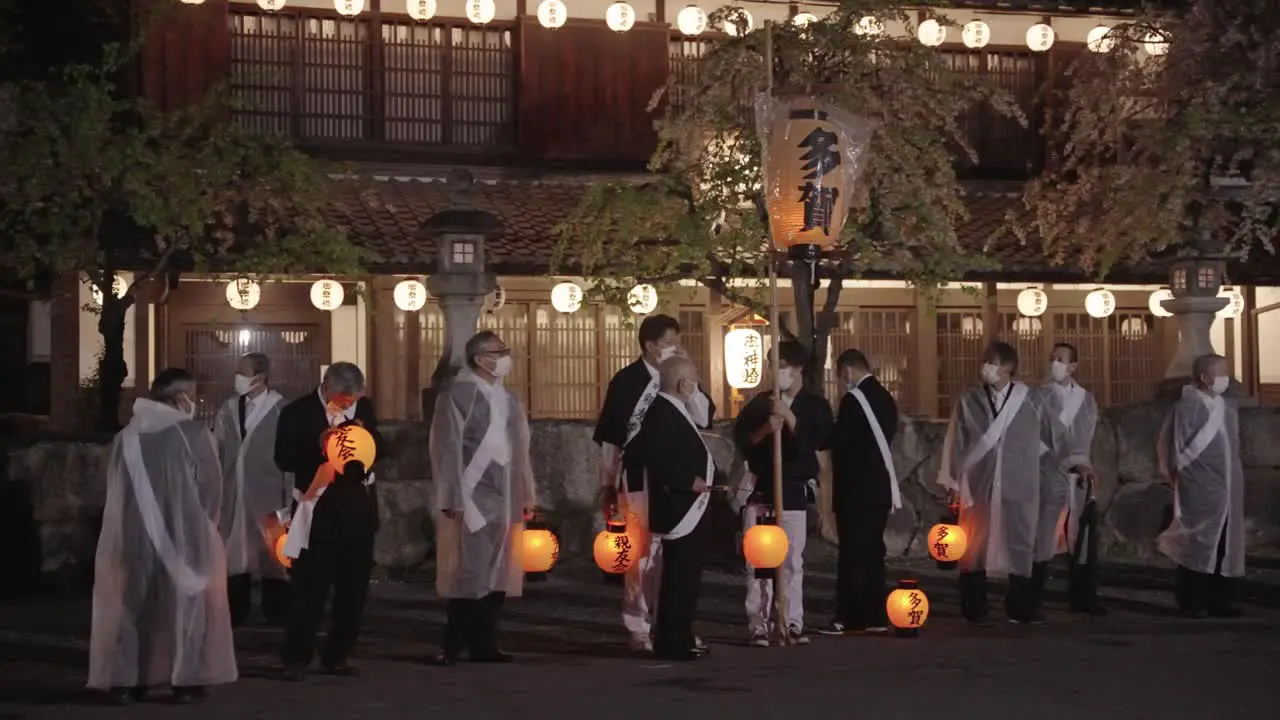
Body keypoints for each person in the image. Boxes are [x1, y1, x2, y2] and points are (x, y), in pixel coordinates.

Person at [88, 368, 237, 704]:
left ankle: (128, 680)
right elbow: (211, 489)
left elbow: (112, 489)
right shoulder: (193, 433)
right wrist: (208, 526)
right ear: (178, 398)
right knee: (188, 606)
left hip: (133, 534)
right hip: (186, 534)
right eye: (192, 395)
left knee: (134, 606)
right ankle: (185, 679)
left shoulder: (125, 436)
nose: (194, 402)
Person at [593, 314, 715, 654]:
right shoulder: (627, 381)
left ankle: (672, 626)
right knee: (640, 556)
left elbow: (704, 417)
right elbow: (612, 440)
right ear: (650, 345)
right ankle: (638, 625)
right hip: (638, 480)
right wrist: (607, 484)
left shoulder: (679, 375)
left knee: (673, 560)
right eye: (668, 342)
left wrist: (692, 390)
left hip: (675, 486)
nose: (674, 347)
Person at [431, 331, 536, 665]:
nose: (506, 356)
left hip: (505, 494)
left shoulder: (510, 399)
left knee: (499, 572)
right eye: (498, 351)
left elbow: (522, 451)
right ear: (480, 358)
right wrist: (451, 496)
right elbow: (445, 447)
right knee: (469, 571)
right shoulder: (457, 396)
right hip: (471, 494)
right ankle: (453, 643)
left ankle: (485, 643)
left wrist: (527, 492)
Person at [274, 362, 381, 680]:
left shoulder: (365, 409)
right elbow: (283, 458)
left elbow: (382, 446)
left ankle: (338, 654)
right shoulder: (297, 412)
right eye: (343, 397)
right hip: (315, 510)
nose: (348, 402)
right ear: (325, 386)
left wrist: (364, 441)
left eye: (354, 398)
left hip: (357, 511)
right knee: (309, 589)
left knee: (353, 591)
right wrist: (319, 447)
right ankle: (296, 656)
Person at [937, 341, 1054, 625]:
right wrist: (952, 481)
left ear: (1008, 368)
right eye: (986, 361)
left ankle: (1021, 606)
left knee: (1021, 540)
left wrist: (1034, 465)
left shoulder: (1033, 399)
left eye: (993, 362)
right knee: (974, 542)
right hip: (979, 482)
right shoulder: (969, 399)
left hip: (1020, 483)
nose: (986, 366)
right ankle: (974, 607)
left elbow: (1048, 440)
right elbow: (956, 441)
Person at [733, 340, 832, 646]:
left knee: (791, 561)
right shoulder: (758, 405)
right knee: (760, 562)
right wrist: (767, 427)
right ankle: (759, 623)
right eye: (772, 364)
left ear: (797, 368)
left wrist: (790, 420)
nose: (776, 372)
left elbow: (818, 449)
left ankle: (791, 620)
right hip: (762, 491)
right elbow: (744, 443)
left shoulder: (815, 407)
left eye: (782, 365)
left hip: (792, 491)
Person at [631, 356, 716, 661]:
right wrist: (685, 480)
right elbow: (654, 456)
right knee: (680, 577)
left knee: (687, 576)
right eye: (694, 380)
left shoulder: (675, 410)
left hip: (689, 504)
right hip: (680, 504)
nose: (697, 387)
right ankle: (672, 640)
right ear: (684, 383)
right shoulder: (662, 411)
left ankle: (680, 635)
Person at [1156, 353, 1245, 619]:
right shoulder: (1187, 406)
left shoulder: (1226, 407)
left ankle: (1221, 600)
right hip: (1200, 484)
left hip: (1228, 485)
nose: (1225, 378)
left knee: (1224, 543)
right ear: (1205, 378)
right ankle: (1192, 600)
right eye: (1221, 373)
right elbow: (1178, 447)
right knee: (1197, 540)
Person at [823, 348, 899, 635]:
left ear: (847, 372)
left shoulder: (853, 401)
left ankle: (851, 617)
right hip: (879, 487)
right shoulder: (885, 398)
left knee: (853, 553)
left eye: (842, 376)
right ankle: (876, 615)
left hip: (856, 490)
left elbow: (840, 443)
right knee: (872, 552)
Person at [213, 352, 290, 627]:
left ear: (260, 377)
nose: (238, 377)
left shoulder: (282, 410)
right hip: (234, 494)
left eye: (242, 372)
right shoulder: (229, 408)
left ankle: (277, 612)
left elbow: (289, 459)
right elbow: (218, 449)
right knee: (235, 554)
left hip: (269, 494)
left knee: (273, 557)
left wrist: (288, 499)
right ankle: (237, 610)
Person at [1036, 343, 1102, 616]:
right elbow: (1034, 436)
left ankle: (1083, 595)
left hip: (1079, 474)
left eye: (1061, 360)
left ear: (1073, 366)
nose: (1055, 364)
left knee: (1082, 536)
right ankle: (1032, 596)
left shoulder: (1086, 399)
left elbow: (1085, 436)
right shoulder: (1037, 396)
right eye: (1052, 359)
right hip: (1047, 472)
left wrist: (1079, 462)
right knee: (1041, 536)